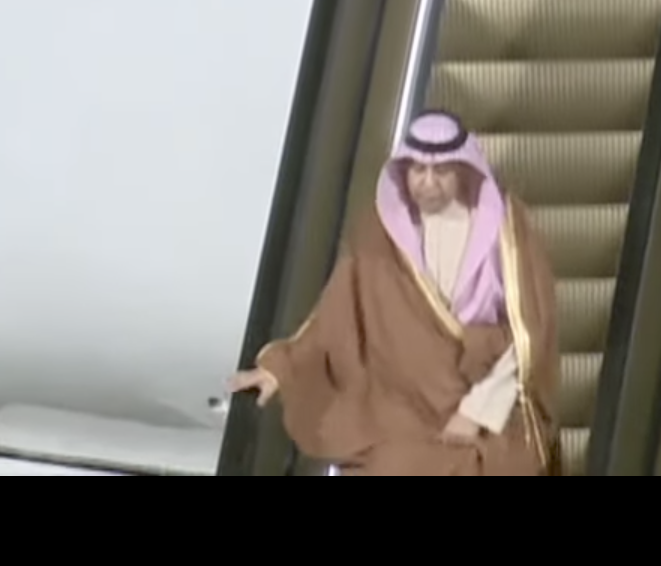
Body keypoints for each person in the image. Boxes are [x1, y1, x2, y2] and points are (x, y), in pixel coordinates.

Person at [225, 111, 562, 476]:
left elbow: (529, 335)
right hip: (402, 403)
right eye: (418, 170)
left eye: (441, 171)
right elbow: (337, 312)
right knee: (393, 462)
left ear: (463, 170)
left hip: (491, 398)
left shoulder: (508, 232)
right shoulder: (379, 233)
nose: (428, 183)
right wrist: (282, 367)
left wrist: (476, 411)